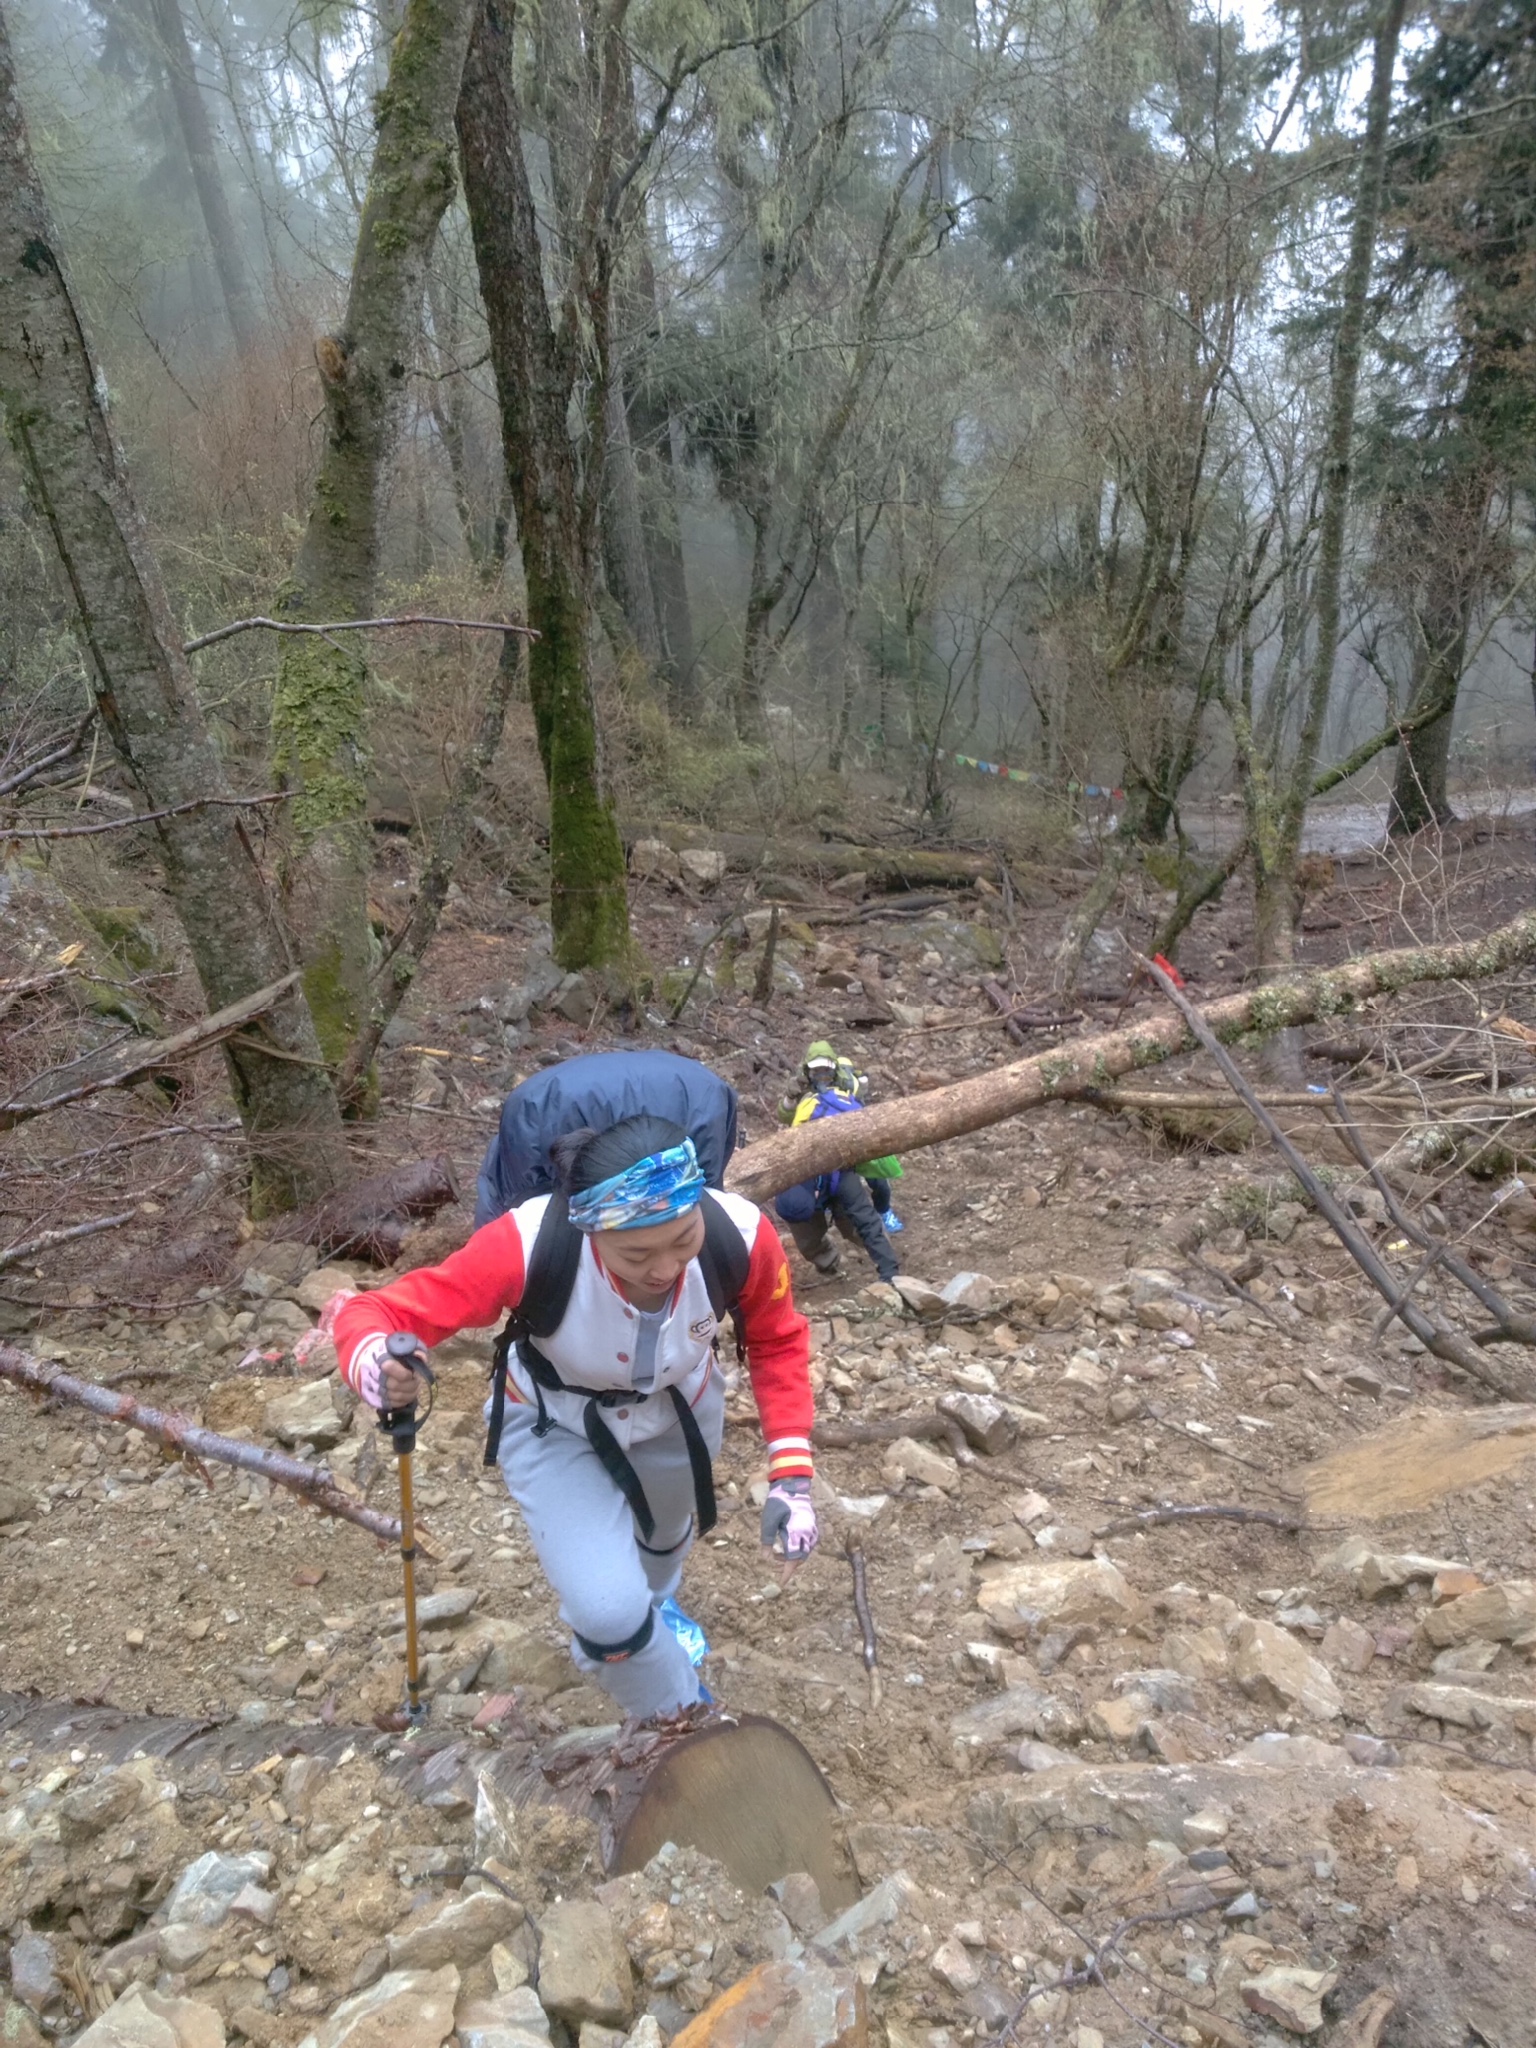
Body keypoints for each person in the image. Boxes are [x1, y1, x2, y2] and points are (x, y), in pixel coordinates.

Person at [334, 1116, 817, 1722]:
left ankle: (655, 1612)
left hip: (681, 1410)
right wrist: (377, 1365)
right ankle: (683, 1720)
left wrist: (792, 1475)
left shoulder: (739, 1234)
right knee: (608, 1613)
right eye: (637, 1253)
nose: (665, 1268)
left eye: (683, 1240)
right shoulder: (529, 1243)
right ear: (590, 1231)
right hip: (552, 1420)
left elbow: (777, 1341)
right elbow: (376, 1309)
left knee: (665, 1539)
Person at [779, 1040, 904, 1232]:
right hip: (821, 1142)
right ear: (807, 1071)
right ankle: (831, 1209)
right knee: (824, 1177)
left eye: (826, 1071)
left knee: (877, 1180)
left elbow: (858, 1103)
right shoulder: (802, 1086)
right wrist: (790, 1098)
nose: (822, 1077)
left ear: (834, 1069)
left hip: (853, 1133)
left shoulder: (846, 1081)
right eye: (816, 1071)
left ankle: (884, 1210)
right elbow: (787, 1116)